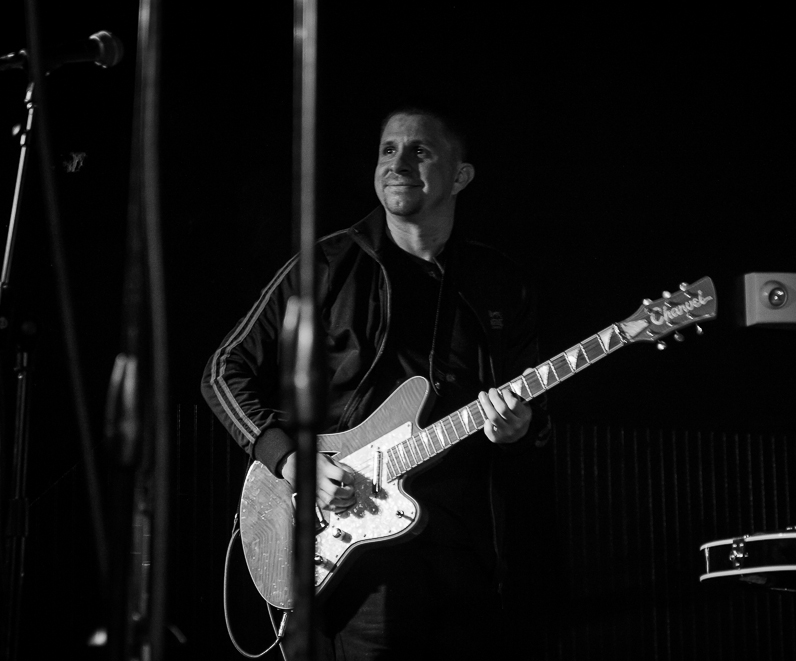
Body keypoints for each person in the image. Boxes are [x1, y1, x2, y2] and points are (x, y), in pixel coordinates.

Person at [201, 106, 548, 658]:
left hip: (467, 551)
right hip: (360, 558)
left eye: (419, 151)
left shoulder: (499, 283)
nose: (398, 163)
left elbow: (533, 422)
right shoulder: (326, 265)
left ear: (460, 176)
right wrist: (289, 459)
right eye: (388, 149)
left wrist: (519, 429)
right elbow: (224, 368)